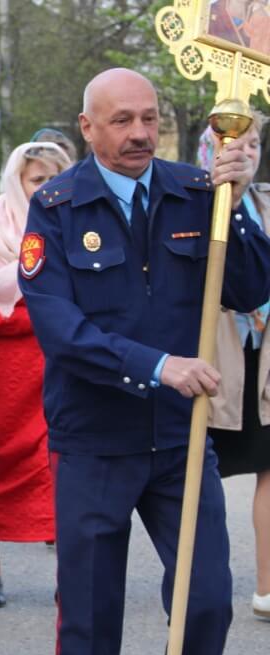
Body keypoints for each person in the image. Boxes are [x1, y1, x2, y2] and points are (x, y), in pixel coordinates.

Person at [18, 68, 270, 655]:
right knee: (90, 619)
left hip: (181, 439)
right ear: (87, 127)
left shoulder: (197, 191)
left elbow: (250, 290)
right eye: (122, 120)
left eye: (149, 118)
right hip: (94, 441)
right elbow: (61, 331)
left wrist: (236, 206)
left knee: (206, 602)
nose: (140, 133)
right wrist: (158, 366)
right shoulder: (56, 207)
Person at [0, 142, 72, 607]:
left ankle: (70, 573)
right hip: (1, 379)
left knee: (62, 472)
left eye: (54, 178)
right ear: (17, 183)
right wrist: (31, 320)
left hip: (58, 373)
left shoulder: (73, 230)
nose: (47, 188)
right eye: (37, 179)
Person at [199, 115, 270, 621]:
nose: (245, 153)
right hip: (216, 360)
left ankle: (266, 586)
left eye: (254, 144)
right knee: (203, 475)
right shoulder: (192, 201)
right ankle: (200, 585)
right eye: (233, 143)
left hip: (263, 359)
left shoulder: (266, 203)